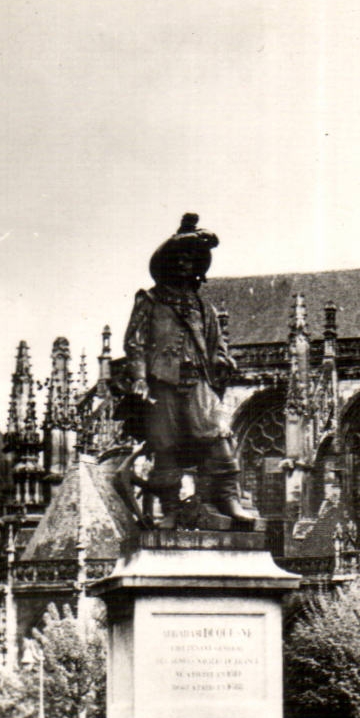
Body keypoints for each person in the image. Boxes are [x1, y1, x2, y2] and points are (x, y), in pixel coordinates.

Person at [120, 213, 258, 530]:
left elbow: (217, 345)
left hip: (197, 381)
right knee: (165, 446)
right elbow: (136, 343)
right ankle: (170, 511)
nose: (185, 264)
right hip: (161, 383)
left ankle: (227, 499)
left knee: (217, 434)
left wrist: (223, 360)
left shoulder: (203, 308)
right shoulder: (150, 300)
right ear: (168, 263)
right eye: (179, 258)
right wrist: (140, 378)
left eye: (191, 259)